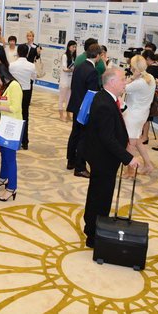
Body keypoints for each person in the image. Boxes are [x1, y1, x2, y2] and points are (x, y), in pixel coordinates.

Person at [81, 67, 142, 248]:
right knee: (100, 198)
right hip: (103, 159)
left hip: (104, 157)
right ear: (112, 82)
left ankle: (94, 229)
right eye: (123, 80)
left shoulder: (106, 98)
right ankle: (93, 235)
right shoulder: (104, 104)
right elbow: (107, 138)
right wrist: (128, 158)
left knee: (100, 195)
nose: (125, 83)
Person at [66, 43, 101, 178]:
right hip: (84, 109)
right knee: (83, 137)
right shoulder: (92, 71)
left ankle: (71, 161)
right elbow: (92, 94)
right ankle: (80, 167)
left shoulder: (79, 66)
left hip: (75, 105)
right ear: (97, 56)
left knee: (75, 133)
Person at [0, 64, 23, 201]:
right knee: (4, 153)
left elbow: (15, 107)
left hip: (12, 127)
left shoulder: (14, 86)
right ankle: (3, 178)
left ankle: (12, 187)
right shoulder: (7, 86)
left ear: (2, 75)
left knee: (10, 158)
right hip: (5, 125)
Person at [122, 55, 156, 176]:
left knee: (130, 144)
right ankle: (148, 165)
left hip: (133, 115)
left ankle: (130, 171)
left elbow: (122, 88)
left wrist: (132, 77)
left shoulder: (139, 82)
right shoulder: (150, 78)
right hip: (142, 115)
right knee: (137, 141)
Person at [9, 44, 37, 150]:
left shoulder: (12, 65)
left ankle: (13, 138)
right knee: (25, 114)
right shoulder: (31, 65)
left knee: (14, 114)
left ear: (18, 52)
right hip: (26, 91)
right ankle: (25, 141)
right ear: (27, 53)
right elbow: (33, 77)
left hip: (14, 91)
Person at [59, 40, 77, 121]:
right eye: (73, 47)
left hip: (71, 80)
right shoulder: (65, 56)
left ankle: (68, 114)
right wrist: (72, 70)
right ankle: (61, 115)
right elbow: (64, 68)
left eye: (75, 47)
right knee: (62, 98)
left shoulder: (74, 57)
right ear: (69, 47)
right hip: (64, 80)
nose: (74, 48)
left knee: (69, 99)